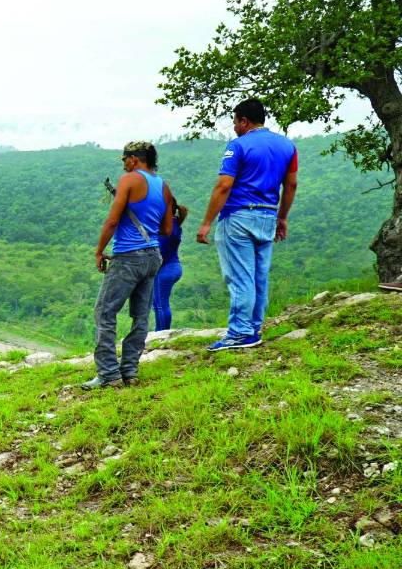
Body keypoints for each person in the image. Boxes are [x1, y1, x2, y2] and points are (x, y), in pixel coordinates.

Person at [195, 98, 298, 350]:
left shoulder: (238, 146)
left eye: (234, 122)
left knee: (240, 277)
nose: (234, 127)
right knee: (258, 277)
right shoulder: (288, 146)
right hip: (267, 217)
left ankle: (240, 333)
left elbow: (224, 185)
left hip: (239, 217)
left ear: (244, 121)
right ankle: (253, 328)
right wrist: (282, 217)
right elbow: (291, 184)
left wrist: (207, 222)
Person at [83, 141, 176, 389]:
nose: (124, 165)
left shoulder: (129, 180)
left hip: (127, 257)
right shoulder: (163, 186)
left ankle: (108, 375)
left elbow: (112, 221)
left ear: (134, 159)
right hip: (153, 256)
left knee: (105, 312)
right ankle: (130, 371)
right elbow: (167, 228)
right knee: (141, 316)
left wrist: (99, 251)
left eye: (125, 159)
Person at [151, 201, 189, 331]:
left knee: (160, 304)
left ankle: (161, 334)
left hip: (165, 268)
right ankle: (160, 332)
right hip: (172, 266)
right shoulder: (175, 223)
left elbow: (161, 254)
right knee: (158, 303)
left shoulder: (168, 228)